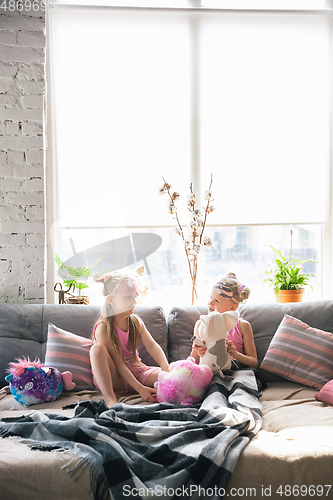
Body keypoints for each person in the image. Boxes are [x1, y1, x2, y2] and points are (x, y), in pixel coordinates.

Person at [90, 271, 169, 407]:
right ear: (111, 300)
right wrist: (140, 390)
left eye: (135, 297)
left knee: (177, 377)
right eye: (128, 297)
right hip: (114, 378)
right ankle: (110, 398)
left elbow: (152, 346)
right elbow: (119, 363)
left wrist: (167, 370)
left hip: (137, 371)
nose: (134, 302)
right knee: (96, 349)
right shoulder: (103, 328)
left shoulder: (135, 321)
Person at [190, 272, 258, 370]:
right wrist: (197, 351)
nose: (210, 302)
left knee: (246, 377)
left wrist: (236, 354)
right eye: (210, 297)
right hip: (210, 369)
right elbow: (193, 362)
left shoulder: (243, 326)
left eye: (217, 301)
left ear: (233, 307)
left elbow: (254, 363)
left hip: (236, 368)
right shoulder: (201, 324)